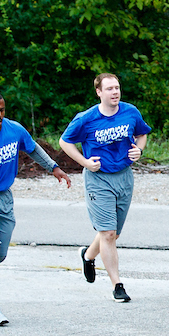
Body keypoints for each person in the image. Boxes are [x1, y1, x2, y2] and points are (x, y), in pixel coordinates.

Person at [0, 91, 71, 326]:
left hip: (4, 199)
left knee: (0, 255)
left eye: (2, 110)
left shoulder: (14, 129)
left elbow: (33, 149)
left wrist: (54, 168)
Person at [59, 72, 151, 302]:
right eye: (109, 89)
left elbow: (142, 134)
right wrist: (85, 162)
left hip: (124, 177)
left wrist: (139, 150)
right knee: (107, 233)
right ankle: (117, 285)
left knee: (113, 233)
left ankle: (88, 256)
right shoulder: (87, 118)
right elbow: (64, 141)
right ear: (99, 92)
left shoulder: (130, 112)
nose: (115, 92)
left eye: (117, 88)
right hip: (98, 179)